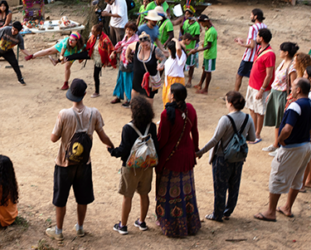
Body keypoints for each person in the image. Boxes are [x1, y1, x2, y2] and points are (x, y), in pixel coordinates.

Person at [45, 79, 115, 241]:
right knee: (82, 197)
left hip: (64, 163)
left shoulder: (64, 114)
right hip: (84, 163)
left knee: (61, 198)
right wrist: (112, 147)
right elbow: (103, 136)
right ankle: (80, 228)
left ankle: (59, 231)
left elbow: (54, 138)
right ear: (84, 94)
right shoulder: (94, 113)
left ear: (70, 94)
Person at [254, 78, 311, 222]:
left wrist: (280, 140)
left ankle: (271, 211)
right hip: (306, 146)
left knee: (278, 176)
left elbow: (287, 128)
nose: (291, 88)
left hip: (292, 147)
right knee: (297, 177)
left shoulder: (295, 106)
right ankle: (287, 207)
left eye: (293, 86)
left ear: (299, 90)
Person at [196, 91, 256, 221]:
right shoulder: (248, 118)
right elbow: (252, 137)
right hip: (238, 156)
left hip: (222, 157)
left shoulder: (226, 119)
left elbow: (215, 140)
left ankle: (217, 214)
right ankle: (228, 211)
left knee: (220, 187)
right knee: (234, 186)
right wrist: (239, 138)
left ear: (230, 104)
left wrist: (201, 152)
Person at [155, 83, 201, 237]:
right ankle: (189, 223)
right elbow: (194, 131)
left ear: (173, 96)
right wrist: (196, 149)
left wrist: (155, 152)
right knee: (186, 191)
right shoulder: (191, 109)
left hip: (171, 157)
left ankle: (170, 224)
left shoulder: (166, 114)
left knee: (168, 192)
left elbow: (162, 140)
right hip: (187, 154)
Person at [108, 96, 157, 234]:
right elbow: (156, 146)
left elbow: (123, 150)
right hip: (147, 166)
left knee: (127, 196)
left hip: (130, 168)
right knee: (144, 194)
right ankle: (142, 222)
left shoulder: (128, 128)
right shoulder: (152, 126)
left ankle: (123, 225)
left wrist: (112, 151)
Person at [262, 42, 298, 155]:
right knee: (277, 120)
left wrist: (290, 99)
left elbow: (293, 85)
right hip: (276, 93)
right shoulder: (284, 62)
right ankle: (276, 144)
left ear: (286, 52)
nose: (280, 52)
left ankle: (280, 146)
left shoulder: (292, 67)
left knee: (280, 122)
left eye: (281, 50)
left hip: (283, 95)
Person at [245, 28, 275, 143]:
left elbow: (269, 74)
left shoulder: (270, 54)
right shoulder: (260, 49)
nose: (256, 38)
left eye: (257, 36)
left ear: (261, 38)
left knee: (260, 111)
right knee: (252, 108)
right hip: (252, 84)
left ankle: (257, 134)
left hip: (259, 87)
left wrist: (262, 90)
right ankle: (253, 131)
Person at [125, 32, 165, 105]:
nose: (145, 47)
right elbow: (129, 47)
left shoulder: (155, 50)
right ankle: (134, 108)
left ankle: (148, 112)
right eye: (143, 45)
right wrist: (127, 56)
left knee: (149, 96)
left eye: (146, 45)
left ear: (150, 42)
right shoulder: (136, 45)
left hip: (150, 79)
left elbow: (164, 58)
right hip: (137, 77)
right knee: (135, 91)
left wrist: (161, 64)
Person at [233, 9, 266, 92]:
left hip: (249, 57)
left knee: (239, 75)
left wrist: (241, 44)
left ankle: (235, 94)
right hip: (259, 55)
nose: (250, 16)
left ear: (255, 16)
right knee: (255, 76)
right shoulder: (264, 26)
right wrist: (243, 39)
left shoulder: (253, 28)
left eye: (251, 15)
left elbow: (252, 45)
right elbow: (255, 40)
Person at [111, 22, 138, 106]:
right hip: (123, 61)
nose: (128, 31)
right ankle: (119, 96)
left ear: (134, 31)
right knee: (120, 79)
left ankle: (129, 99)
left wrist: (129, 55)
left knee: (128, 81)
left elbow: (136, 52)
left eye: (130, 30)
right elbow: (121, 47)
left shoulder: (136, 40)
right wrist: (114, 52)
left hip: (129, 63)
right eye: (127, 29)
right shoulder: (125, 37)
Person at [192, 14, 217, 95]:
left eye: (202, 23)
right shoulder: (208, 28)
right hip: (207, 54)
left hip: (210, 54)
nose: (201, 25)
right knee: (204, 69)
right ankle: (200, 84)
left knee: (208, 71)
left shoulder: (211, 31)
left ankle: (206, 88)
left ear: (206, 21)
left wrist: (197, 50)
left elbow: (209, 46)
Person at [159, 39, 187, 110]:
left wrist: (176, 40)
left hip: (176, 80)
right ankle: (166, 115)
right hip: (168, 80)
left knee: (174, 101)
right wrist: (161, 66)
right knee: (166, 99)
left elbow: (178, 48)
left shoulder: (180, 56)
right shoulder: (171, 57)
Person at [180, 7, 200, 87]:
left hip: (191, 46)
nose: (186, 15)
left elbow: (197, 37)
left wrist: (189, 38)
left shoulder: (196, 25)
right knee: (182, 62)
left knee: (191, 64)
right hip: (185, 45)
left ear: (192, 15)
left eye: (188, 14)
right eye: (185, 14)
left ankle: (189, 80)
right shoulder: (185, 22)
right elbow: (183, 31)